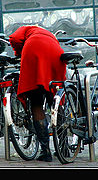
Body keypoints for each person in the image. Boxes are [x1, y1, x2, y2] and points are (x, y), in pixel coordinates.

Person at [9, 25, 66, 162]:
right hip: (55, 52)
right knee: (55, 98)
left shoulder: (25, 29)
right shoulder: (49, 34)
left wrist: (18, 52)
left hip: (33, 50)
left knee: (36, 102)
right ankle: (64, 149)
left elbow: (14, 38)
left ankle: (45, 151)